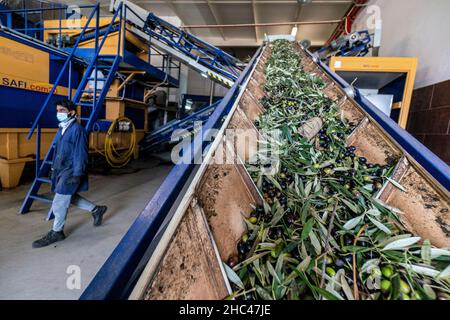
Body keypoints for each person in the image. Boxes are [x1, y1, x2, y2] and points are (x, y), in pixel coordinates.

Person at [32, 100, 107, 248]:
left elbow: (81, 154)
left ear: (71, 113)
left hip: (72, 170)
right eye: (58, 110)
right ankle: (97, 209)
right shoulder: (62, 128)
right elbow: (59, 151)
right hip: (62, 169)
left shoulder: (77, 129)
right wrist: (53, 169)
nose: (58, 113)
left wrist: (78, 173)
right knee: (69, 196)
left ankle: (57, 232)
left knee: (59, 201)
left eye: (62, 110)